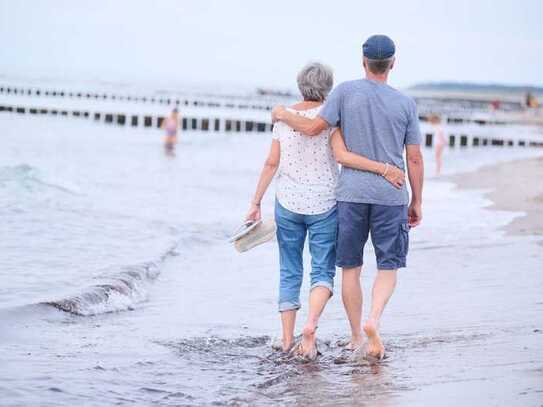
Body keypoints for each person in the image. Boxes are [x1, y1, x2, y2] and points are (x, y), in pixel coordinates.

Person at [272, 35, 424, 360]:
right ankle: (374, 320)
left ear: (363, 61)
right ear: (393, 64)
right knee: (388, 265)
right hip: (391, 195)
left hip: (351, 195)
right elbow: (414, 158)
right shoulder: (406, 104)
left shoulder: (343, 92)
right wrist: (417, 201)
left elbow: (313, 129)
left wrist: (283, 114)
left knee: (350, 268)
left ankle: (356, 335)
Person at [246, 62, 406, 360]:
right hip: (324, 205)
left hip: (288, 203)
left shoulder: (283, 119)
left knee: (289, 270)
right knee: (321, 270)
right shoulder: (331, 119)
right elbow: (343, 156)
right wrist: (385, 169)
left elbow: (271, 163)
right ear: (328, 88)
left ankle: (285, 340)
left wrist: (255, 202)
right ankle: (310, 327)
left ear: (299, 84)